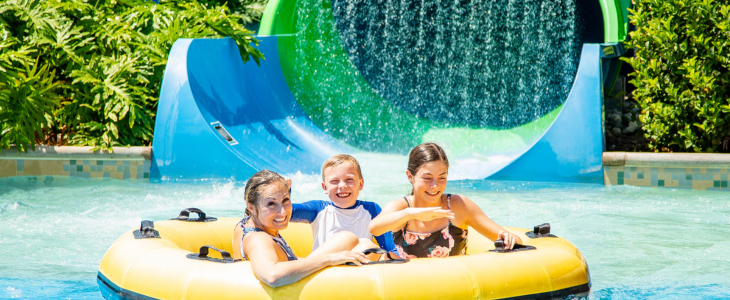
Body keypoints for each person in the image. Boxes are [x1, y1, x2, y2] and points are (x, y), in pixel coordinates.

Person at [369, 142, 522, 258]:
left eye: (442, 177)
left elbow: (513, 239)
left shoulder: (458, 206)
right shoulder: (402, 207)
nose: (435, 186)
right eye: (427, 178)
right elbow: (374, 228)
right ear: (410, 176)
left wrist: (509, 238)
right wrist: (412, 214)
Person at [232, 170, 369, 288]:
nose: (283, 212)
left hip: (294, 282)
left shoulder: (246, 222)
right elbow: (272, 276)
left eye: (285, 200)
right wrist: (329, 259)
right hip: (294, 292)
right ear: (251, 207)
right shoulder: (258, 239)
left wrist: (279, 187)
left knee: (349, 238)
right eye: (271, 204)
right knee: (367, 248)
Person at [290, 154, 399, 261]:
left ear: (361, 184)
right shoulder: (318, 209)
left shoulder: (372, 210)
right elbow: (287, 212)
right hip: (322, 272)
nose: (342, 186)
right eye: (334, 181)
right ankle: (305, 264)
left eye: (349, 179)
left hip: (354, 271)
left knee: (367, 246)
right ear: (325, 187)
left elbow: (390, 249)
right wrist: (283, 193)